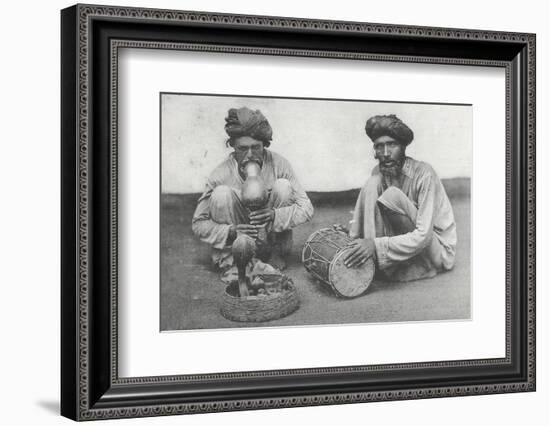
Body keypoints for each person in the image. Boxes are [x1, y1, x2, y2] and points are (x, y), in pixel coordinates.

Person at [192, 107, 314, 271]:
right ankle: (233, 262)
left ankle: (274, 255)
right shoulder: (220, 174)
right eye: (243, 149)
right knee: (221, 194)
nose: (250, 154)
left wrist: (275, 215)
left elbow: (307, 207)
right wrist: (231, 232)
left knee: (283, 186)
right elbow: (199, 224)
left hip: (272, 241)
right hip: (237, 245)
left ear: (264, 145)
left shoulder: (279, 164)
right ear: (233, 146)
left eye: (255, 148)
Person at [344, 114, 457, 282]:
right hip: (410, 244)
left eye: (392, 145)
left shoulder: (425, 174)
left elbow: (424, 235)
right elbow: (376, 214)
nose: (386, 153)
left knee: (392, 195)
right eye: (379, 147)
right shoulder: (378, 173)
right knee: (372, 182)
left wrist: (375, 245)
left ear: (403, 148)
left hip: (437, 251)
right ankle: (365, 255)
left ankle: (390, 262)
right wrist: (354, 236)